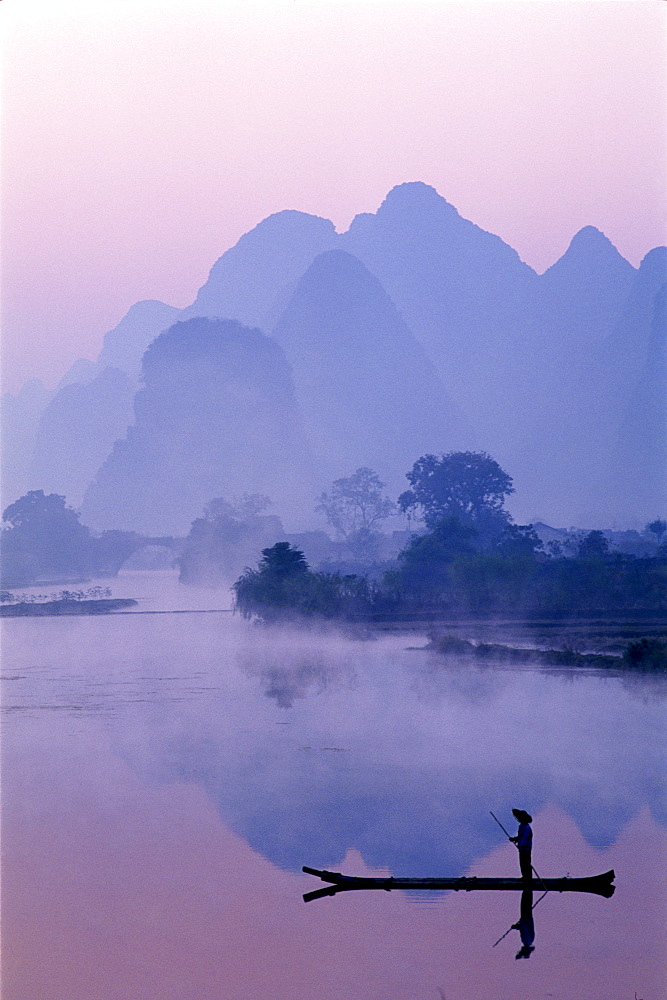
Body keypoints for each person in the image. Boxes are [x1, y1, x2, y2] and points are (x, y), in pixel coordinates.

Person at [509, 808, 533, 881]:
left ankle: (528, 877)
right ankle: (524, 876)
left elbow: (525, 838)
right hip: (522, 848)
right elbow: (520, 836)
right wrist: (514, 839)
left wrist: (521, 846)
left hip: (526, 849)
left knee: (526, 863)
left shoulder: (526, 827)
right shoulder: (521, 826)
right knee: (522, 863)